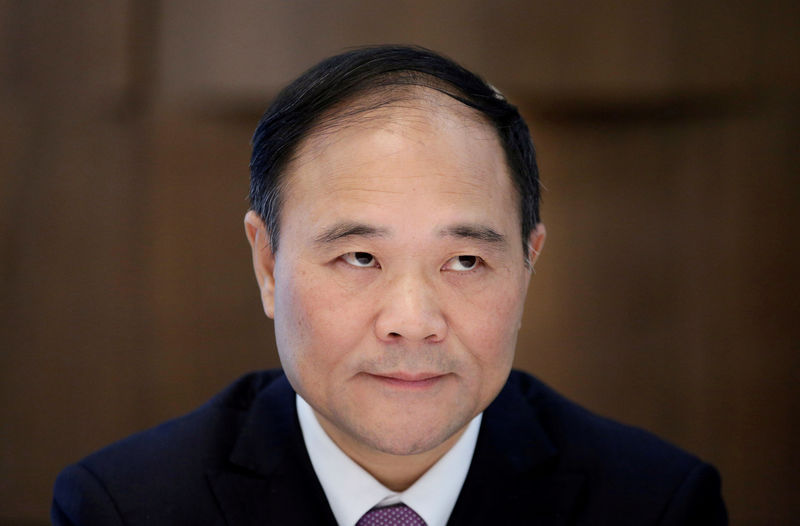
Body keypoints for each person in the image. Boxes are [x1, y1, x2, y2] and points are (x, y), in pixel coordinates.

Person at [52, 45, 727, 525]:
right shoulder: (124, 506)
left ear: (528, 263)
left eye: (465, 262)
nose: (412, 320)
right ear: (267, 265)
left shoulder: (656, 503)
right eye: (359, 258)